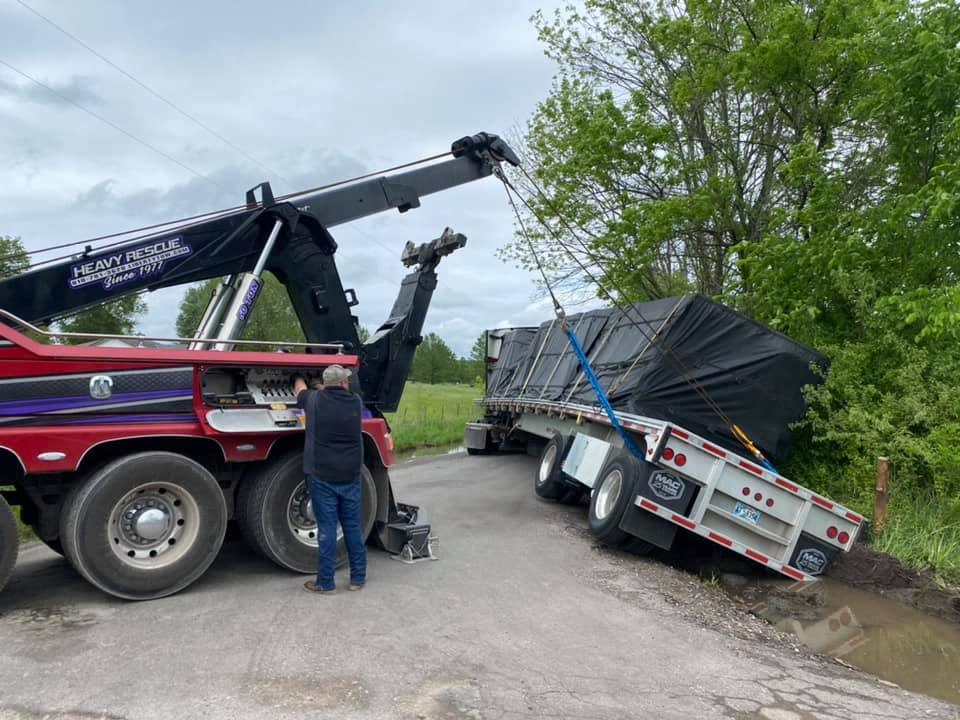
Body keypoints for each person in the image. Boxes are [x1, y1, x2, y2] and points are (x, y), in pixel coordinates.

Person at [293, 364, 366, 594]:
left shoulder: (313, 400)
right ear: (344, 383)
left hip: (322, 476)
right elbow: (331, 393)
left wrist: (298, 376)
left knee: (327, 529)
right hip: (351, 474)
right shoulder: (355, 402)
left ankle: (325, 583)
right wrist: (321, 386)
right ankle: (358, 578)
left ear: (326, 384)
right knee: (352, 526)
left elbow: (300, 391)